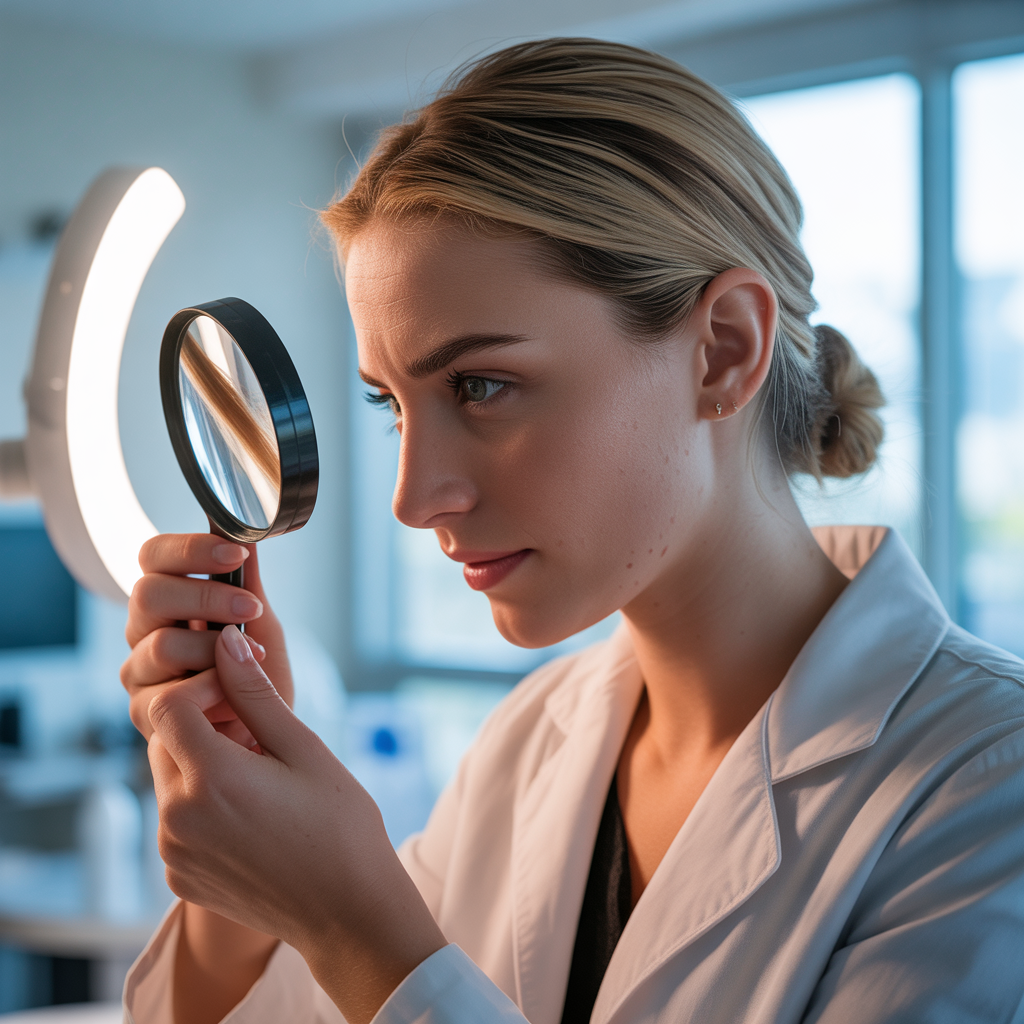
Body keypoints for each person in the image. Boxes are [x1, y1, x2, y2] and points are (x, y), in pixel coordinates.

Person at [120, 38, 1024, 1024]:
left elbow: (386, 971)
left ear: (724, 351)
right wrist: (242, 883)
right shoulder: (530, 743)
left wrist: (352, 925)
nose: (414, 498)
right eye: (392, 405)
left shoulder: (987, 784)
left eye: (481, 386)